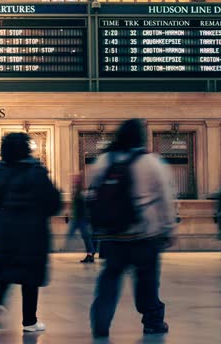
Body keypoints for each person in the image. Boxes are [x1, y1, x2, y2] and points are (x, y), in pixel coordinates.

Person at [88, 119, 176, 338]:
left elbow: (91, 195)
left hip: (112, 234)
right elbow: (165, 199)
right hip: (143, 234)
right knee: (147, 280)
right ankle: (153, 322)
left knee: (110, 278)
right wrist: (168, 229)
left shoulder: (104, 161)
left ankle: (100, 322)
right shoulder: (151, 162)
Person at [0, 133, 61, 334]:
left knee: (3, 274)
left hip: (3, 231)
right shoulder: (37, 172)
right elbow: (54, 203)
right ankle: (29, 321)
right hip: (33, 233)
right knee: (30, 279)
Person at [66, 174, 96, 263]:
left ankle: (90, 254)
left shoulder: (81, 193)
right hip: (78, 218)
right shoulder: (77, 192)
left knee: (85, 236)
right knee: (85, 236)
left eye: (75, 181)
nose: (73, 182)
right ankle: (90, 253)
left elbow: (83, 206)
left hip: (81, 219)